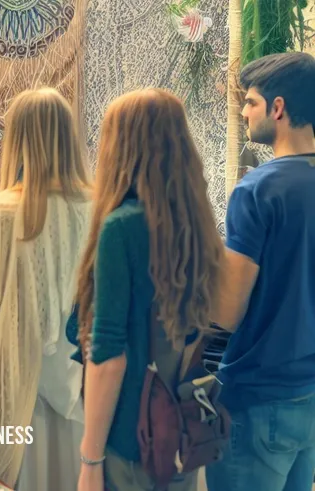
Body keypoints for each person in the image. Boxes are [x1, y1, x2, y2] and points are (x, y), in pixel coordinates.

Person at [74, 88, 224, 491]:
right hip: (181, 431)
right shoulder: (196, 225)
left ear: (121, 150)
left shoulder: (121, 227)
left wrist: (90, 460)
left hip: (130, 439)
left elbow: (109, 357)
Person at [0, 87, 92, 490]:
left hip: (17, 384)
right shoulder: (99, 208)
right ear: (69, 137)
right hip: (83, 384)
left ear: (16, 139)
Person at [207, 52, 315, 491]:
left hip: (257, 395)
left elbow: (226, 311)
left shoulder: (258, 188)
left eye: (250, 102)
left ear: (278, 108)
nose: (244, 112)